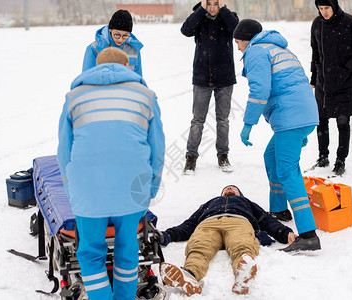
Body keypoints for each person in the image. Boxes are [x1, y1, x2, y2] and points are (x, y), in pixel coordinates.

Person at [57, 47, 165, 300]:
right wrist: (149, 189)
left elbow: (64, 150)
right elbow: (157, 149)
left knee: (90, 253)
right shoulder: (146, 96)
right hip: (131, 190)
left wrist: (72, 190)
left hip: (87, 190)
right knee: (127, 249)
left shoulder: (74, 97)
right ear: (128, 67)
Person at [233, 19, 321, 251]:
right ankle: (279, 209)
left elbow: (260, 89)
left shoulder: (256, 51)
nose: (238, 47)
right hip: (303, 113)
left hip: (292, 117)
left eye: (237, 42)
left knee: (287, 170)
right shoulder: (278, 48)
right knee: (271, 157)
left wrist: (248, 123)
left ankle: (308, 233)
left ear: (245, 39)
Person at [158, 185, 297, 296]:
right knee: (199, 247)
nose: (229, 189)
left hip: (238, 221)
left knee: (241, 244)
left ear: (239, 194)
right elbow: (190, 223)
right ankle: (189, 275)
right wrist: (168, 235)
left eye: (233, 188)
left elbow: (266, 220)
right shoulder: (211, 203)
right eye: (226, 188)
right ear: (221, 194)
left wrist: (285, 233)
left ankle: (243, 273)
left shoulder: (246, 202)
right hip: (208, 223)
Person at [310, 0, 352, 176]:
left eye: (327, 8)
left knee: (343, 122)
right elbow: (315, 52)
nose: (324, 12)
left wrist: (346, 70)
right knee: (321, 121)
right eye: (321, 8)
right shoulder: (317, 24)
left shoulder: (350, 23)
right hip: (323, 82)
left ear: (334, 7)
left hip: (345, 83)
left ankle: (340, 160)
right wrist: (314, 76)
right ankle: (323, 156)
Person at [181, 0, 239, 175]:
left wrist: (224, 9)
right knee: (197, 120)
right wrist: (200, 10)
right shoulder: (199, 18)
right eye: (209, 3)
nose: (212, 7)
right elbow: (185, 30)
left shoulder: (229, 17)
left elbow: (237, 30)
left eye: (216, 3)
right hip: (202, 77)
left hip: (225, 77)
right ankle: (191, 158)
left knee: (223, 120)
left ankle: (223, 156)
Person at [82, 9, 143, 76]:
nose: (120, 39)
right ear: (110, 29)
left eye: (125, 35)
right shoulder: (94, 49)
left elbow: (138, 79)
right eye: (117, 34)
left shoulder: (134, 49)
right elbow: (87, 77)